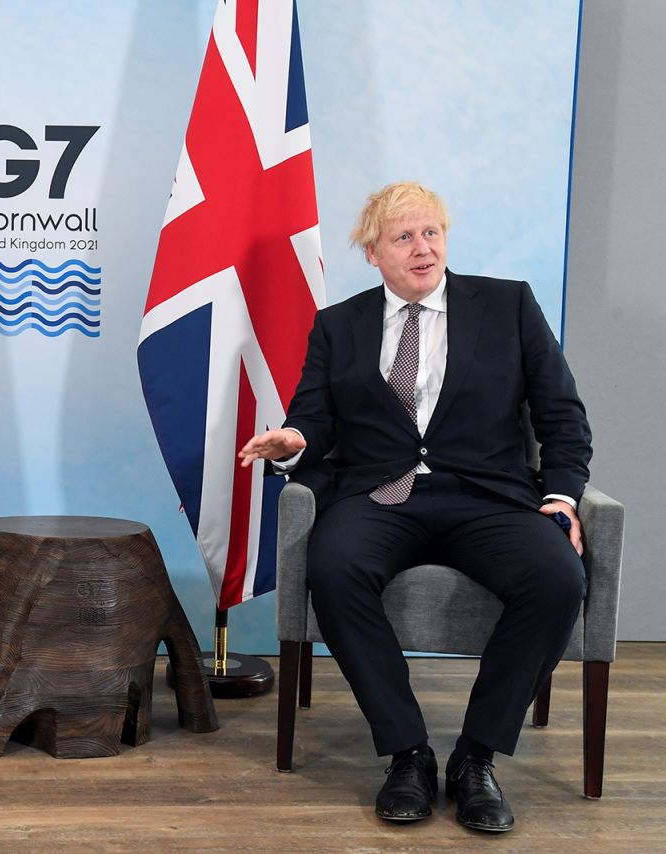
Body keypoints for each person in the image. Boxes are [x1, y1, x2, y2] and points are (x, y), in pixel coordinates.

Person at [240, 182, 590, 833]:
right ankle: (407, 753)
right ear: (373, 252)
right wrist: (292, 442)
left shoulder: (508, 305)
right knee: (334, 567)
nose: (423, 248)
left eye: (432, 233)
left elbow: (562, 416)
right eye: (405, 237)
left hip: (488, 499)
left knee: (558, 578)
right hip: (377, 499)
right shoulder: (338, 325)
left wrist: (561, 496)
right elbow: (310, 418)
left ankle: (476, 759)